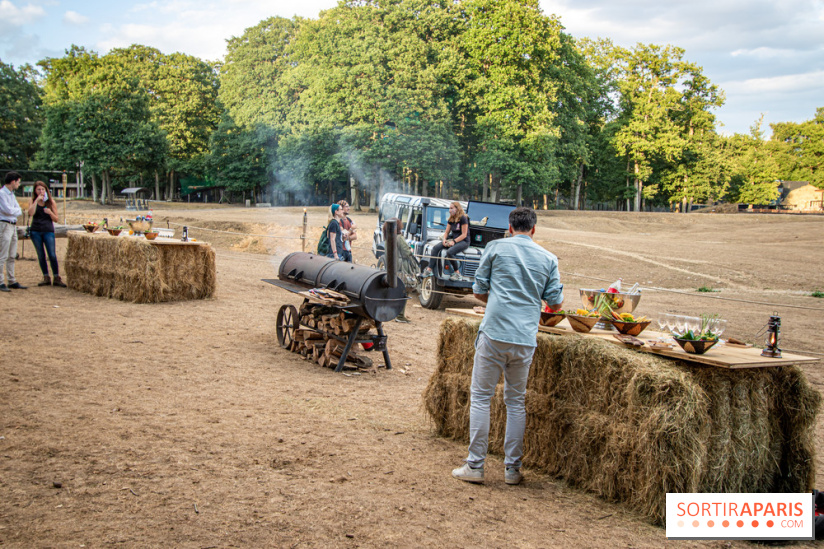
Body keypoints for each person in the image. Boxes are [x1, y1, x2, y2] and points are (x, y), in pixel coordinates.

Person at [452, 207, 563, 486]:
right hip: (524, 337)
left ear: (510, 228)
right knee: (516, 402)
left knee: (480, 397)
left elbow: (478, 290)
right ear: (534, 229)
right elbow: (556, 304)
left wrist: (498, 302)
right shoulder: (548, 258)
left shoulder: (495, 247)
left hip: (494, 332)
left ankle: (475, 466)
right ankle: (512, 469)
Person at [27, 181, 66, 287]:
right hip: (36, 230)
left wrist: (50, 213)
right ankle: (45, 276)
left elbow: (56, 219)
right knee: (41, 255)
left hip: (48, 230)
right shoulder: (32, 201)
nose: (41, 192)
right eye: (38, 189)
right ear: (35, 191)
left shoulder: (51, 202)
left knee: (52, 254)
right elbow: (30, 213)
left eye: (43, 189)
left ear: (46, 190)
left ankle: (56, 277)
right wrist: (36, 202)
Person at [423, 201, 469, 281]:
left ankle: (457, 273)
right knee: (436, 248)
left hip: (463, 241)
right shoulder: (451, 218)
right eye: (449, 208)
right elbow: (447, 232)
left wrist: (454, 242)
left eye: (451, 208)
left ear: (457, 209)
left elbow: (464, 234)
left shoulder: (463, 218)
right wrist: (444, 239)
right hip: (453, 238)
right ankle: (429, 270)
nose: (450, 210)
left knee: (450, 252)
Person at [387, 217, 419, 323]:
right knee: (404, 291)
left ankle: (393, 313)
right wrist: (410, 250)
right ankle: (400, 316)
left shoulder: (388, 237)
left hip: (392, 267)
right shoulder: (399, 238)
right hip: (401, 268)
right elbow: (406, 253)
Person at [0, 172, 27, 292]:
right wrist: (15, 211)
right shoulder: (1, 194)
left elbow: (17, 210)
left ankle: (11, 280)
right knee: (3, 254)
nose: (19, 184)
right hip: (5, 225)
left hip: (12, 225)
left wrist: (15, 211)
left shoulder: (12, 194)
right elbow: (8, 210)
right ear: (13, 182)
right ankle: (0, 281)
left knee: (11, 255)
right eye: (18, 182)